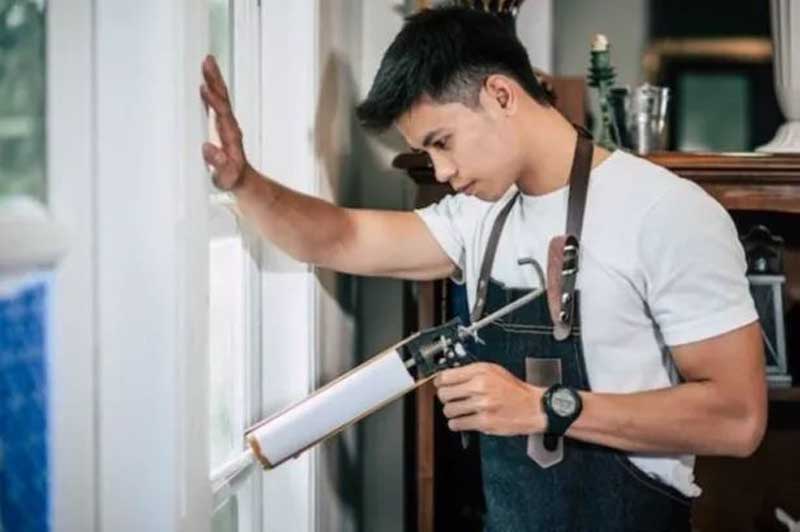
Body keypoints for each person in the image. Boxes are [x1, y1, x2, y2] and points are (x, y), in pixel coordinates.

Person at [200, 6, 766, 531]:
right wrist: (243, 183)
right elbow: (339, 238)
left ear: (500, 94)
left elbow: (737, 419)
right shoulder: (478, 218)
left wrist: (545, 408)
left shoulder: (666, 211)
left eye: (442, 142)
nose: (442, 171)